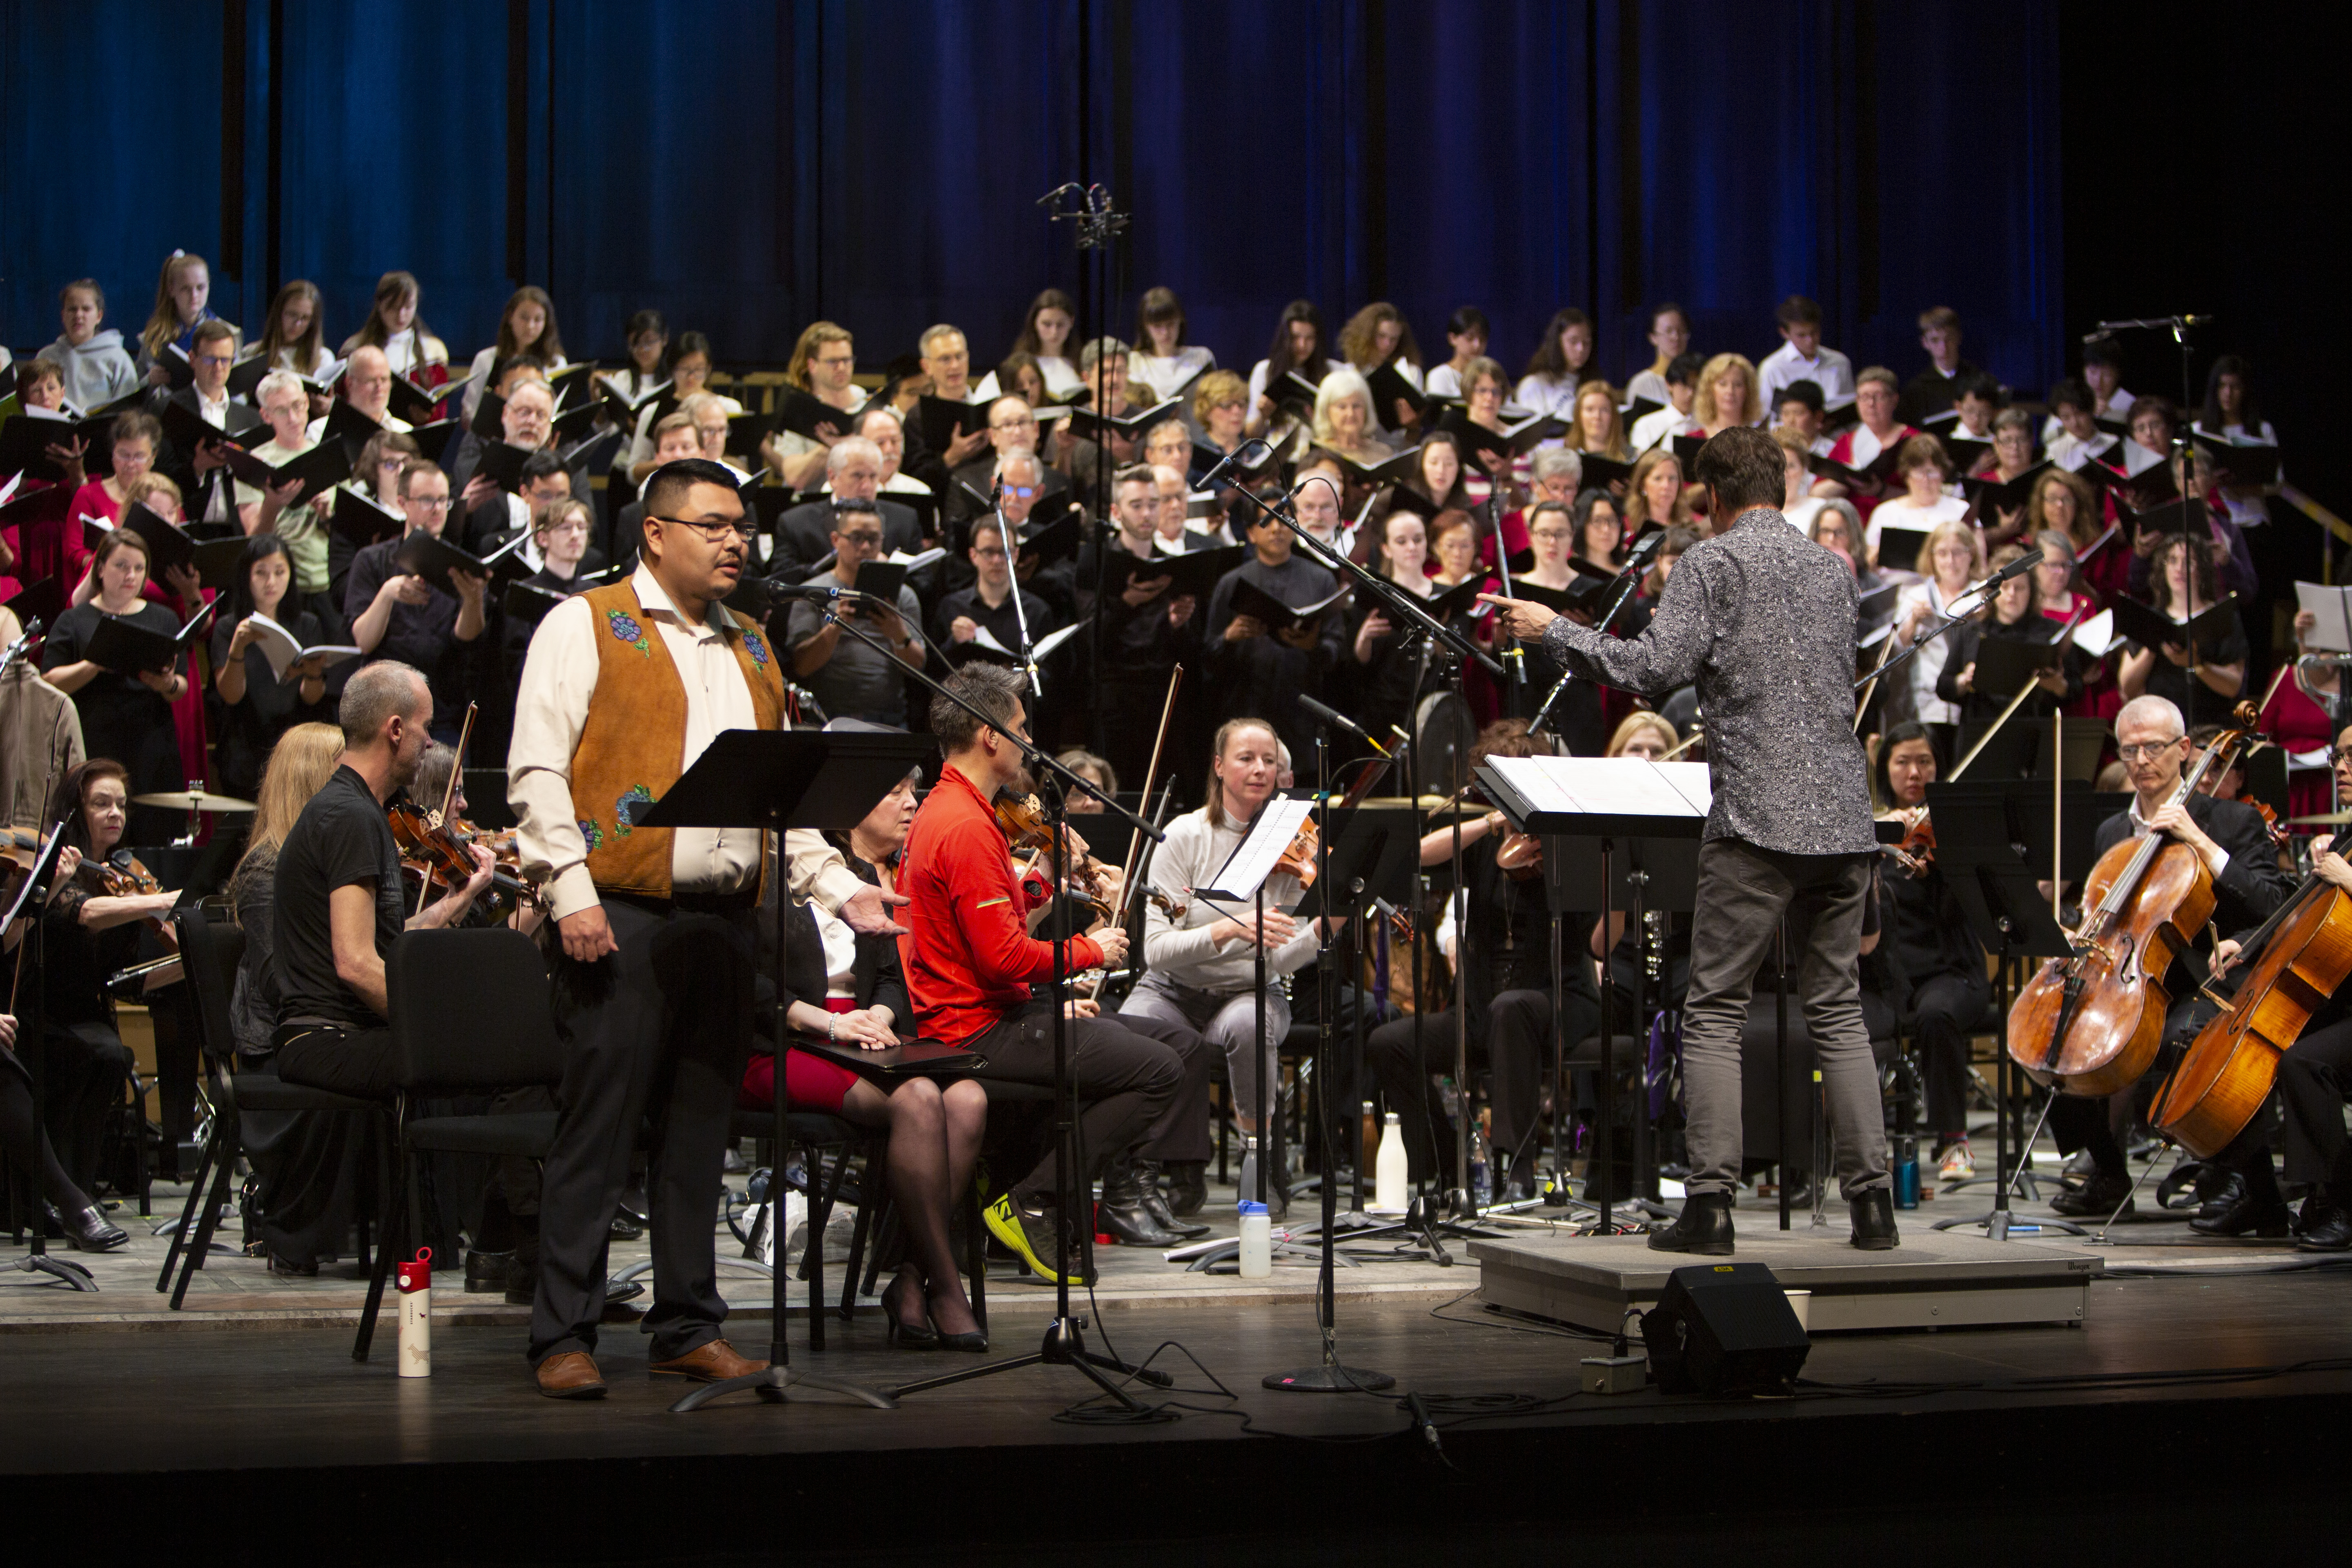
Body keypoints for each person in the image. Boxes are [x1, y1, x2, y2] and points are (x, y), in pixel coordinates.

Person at [509, 457, 904, 1396]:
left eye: (742, 527)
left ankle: (686, 1324)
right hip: (623, 917)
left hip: (727, 922)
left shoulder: (753, 647)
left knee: (697, 1134)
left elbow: (780, 800)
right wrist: (571, 896)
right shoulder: (586, 623)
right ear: (655, 532)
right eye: (714, 524)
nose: (736, 541)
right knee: (598, 1135)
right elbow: (536, 774)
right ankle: (561, 1332)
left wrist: (836, 884)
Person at [1482, 424, 1897, 1252]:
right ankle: (1874, 1206)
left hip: (1756, 820)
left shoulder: (1713, 561)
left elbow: (1647, 670)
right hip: (1846, 820)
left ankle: (1708, 1208)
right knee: (1838, 1010)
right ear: (1776, 487)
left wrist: (1552, 629)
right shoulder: (1832, 568)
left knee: (1711, 1009)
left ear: (1710, 500)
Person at [895, 663, 1193, 1281]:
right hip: (977, 1029)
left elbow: (990, 921)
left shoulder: (962, 809)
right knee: (1160, 1070)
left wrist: (1044, 883)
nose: (1030, 743)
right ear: (991, 737)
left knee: (1171, 1042)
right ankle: (1036, 1198)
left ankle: (1040, 1195)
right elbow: (1003, 959)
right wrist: (1090, 949)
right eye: (1021, 728)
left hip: (996, 1012)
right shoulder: (966, 826)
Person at [737, 768, 990, 1348]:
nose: (910, 804)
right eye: (894, 791)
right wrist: (828, 1020)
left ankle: (908, 1276)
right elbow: (746, 986)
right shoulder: (761, 877)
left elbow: (892, 978)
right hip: (783, 1038)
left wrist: (882, 1017)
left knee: (970, 1099)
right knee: (922, 1099)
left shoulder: (851, 881)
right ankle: (945, 1288)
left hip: (861, 1034)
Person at [2044, 695, 2292, 1220]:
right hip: (2131, 976)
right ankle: (2109, 1171)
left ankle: (2245, 1179)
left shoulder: (2229, 821)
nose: (2141, 761)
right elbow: (2104, 915)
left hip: (2211, 978)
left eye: (2153, 748)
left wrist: (2198, 841)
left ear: (2183, 750)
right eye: (2129, 750)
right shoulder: (2113, 832)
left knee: (2185, 1039)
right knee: (2057, 1036)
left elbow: (2274, 903)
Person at [1365, 718, 1599, 1194]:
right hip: (1479, 1010)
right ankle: (1445, 1160)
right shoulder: (1489, 840)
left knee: (1511, 1009)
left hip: (1555, 1003)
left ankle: (1517, 1167)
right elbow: (1420, 854)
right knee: (1390, 1042)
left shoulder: (1569, 846)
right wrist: (1492, 820)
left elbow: (1593, 936)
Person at [1124, 716, 1343, 1215]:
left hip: (1253, 992)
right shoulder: (1182, 836)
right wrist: (1230, 928)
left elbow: (1277, 960)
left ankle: (1257, 1159)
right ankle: (1155, 1171)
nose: (1260, 769)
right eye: (1246, 758)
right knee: (1137, 1030)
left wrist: (1325, 928)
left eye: (1269, 760)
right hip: (1171, 991)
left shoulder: (1297, 847)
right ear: (1220, 767)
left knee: (1247, 1024)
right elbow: (1155, 950)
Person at [220, 722, 359, 1271]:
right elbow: (280, 982)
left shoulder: (329, 862)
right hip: (276, 1045)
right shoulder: (266, 869)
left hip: (319, 1025)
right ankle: (299, 1228)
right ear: (310, 780)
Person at [35, 760, 165, 1234]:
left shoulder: (118, 874)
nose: (115, 813)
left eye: (121, 805)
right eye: (102, 804)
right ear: (76, 811)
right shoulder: (55, 867)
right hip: (42, 1011)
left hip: (88, 1013)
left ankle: (78, 1190)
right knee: (100, 1053)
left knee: (109, 1055)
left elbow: (120, 975)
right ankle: (60, 1193)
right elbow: (85, 914)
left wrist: (176, 968)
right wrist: (156, 900)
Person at [1867, 724, 1993, 1180]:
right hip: (1891, 973)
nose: (1915, 772)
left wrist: (1943, 871)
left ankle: (1952, 1140)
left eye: (1925, 761)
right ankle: (1860, 1145)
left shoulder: (1951, 832)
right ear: (1886, 769)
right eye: (1903, 761)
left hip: (1952, 970)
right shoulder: (1872, 831)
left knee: (1936, 1016)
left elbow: (1974, 910)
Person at [39, 531, 187, 844]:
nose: (131, 575)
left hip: (151, 743)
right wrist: (94, 663)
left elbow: (181, 686)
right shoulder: (74, 620)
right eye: (121, 565)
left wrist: (167, 684)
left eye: (139, 568)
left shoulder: (164, 618)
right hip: (97, 741)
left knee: (155, 834)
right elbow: (50, 681)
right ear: (101, 568)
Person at [346, 459, 488, 740]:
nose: (437, 509)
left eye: (443, 500)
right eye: (426, 500)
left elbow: (466, 639)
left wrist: (474, 600)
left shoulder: (461, 565)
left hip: (443, 710)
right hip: (383, 712)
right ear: (403, 502)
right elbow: (364, 641)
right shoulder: (372, 560)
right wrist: (387, 594)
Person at [211, 536, 336, 800]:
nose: (271, 582)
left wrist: (313, 671)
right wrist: (237, 649)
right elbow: (231, 695)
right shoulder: (228, 627)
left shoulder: (307, 624)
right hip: (243, 744)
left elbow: (312, 697)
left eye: (280, 573)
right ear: (247, 575)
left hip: (294, 748)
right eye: (261, 573)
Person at [785, 498, 926, 726]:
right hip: (826, 717)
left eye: (873, 539)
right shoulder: (814, 594)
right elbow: (801, 666)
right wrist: (835, 628)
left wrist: (899, 635)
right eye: (857, 538)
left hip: (889, 719)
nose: (865, 547)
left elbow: (919, 667)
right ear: (836, 540)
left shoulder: (903, 596)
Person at [1938, 544, 2083, 726]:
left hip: (2033, 729)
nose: (2011, 595)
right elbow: (1943, 686)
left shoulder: (2052, 632)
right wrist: (1963, 681)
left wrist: (2058, 686)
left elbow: (2077, 689)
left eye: (2020, 588)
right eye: (2005, 587)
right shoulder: (1972, 630)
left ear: (2031, 591)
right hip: (1979, 728)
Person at [236, 370, 339, 597]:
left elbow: (346, 534)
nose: (293, 418)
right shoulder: (253, 464)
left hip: (327, 581)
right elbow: (254, 541)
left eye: (297, 406)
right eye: (281, 411)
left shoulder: (329, 456)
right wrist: (273, 505)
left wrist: (326, 515)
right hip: (280, 588)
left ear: (306, 402)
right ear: (266, 415)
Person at [770, 436, 926, 579]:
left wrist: (889, 574)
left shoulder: (905, 520)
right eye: (857, 476)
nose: (867, 486)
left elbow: (924, 582)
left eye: (873, 477)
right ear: (833, 477)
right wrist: (842, 568)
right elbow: (783, 579)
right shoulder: (796, 523)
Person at [161, 320, 263, 529]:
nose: (219, 367)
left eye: (226, 360)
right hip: (187, 522)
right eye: (210, 359)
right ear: (192, 359)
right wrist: (198, 467)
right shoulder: (169, 409)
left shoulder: (250, 418)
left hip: (237, 526)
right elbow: (159, 475)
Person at [1888, 520, 1984, 732]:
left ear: (1972, 554)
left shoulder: (1982, 597)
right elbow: (1897, 649)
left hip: (1970, 700)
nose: (1951, 561)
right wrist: (1913, 620)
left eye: (1958, 552)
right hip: (1925, 699)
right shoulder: (1916, 595)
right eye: (1942, 553)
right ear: (1931, 557)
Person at [934, 514, 1058, 654]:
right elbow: (935, 669)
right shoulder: (952, 606)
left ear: (1016, 555)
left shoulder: (1037, 611)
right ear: (973, 556)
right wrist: (954, 642)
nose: (997, 560)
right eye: (988, 552)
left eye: (1004, 552)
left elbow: (1049, 671)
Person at [760, 321, 861, 491]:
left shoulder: (863, 399)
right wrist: (831, 446)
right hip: (812, 505)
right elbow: (793, 477)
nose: (842, 368)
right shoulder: (799, 409)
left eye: (847, 360)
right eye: (833, 362)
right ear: (812, 365)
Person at [461, 286, 567, 424]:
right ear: (511, 317)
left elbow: (558, 413)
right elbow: (469, 413)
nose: (531, 326)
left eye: (538, 319)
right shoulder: (486, 359)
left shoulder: (557, 363)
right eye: (524, 318)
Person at [1826, 366, 1919, 513]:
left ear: (1894, 400)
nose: (1871, 404)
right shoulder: (1845, 441)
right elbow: (1816, 494)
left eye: (1879, 396)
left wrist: (1881, 490)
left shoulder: (1913, 440)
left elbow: (1927, 495)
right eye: (1864, 397)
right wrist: (1846, 479)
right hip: (1851, 525)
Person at [41, 279, 140, 410]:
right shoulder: (46, 357)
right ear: (63, 315)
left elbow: (129, 409)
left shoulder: (118, 358)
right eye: (72, 309)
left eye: (86, 309)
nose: (78, 315)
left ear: (99, 316)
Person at [1864, 435, 1969, 556]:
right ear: (1907, 477)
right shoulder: (1885, 513)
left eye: (1931, 472)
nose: (1926, 480)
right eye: (1919, 473)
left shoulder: (1962, 510)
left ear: (1942, 474)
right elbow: (1868, 565)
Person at [338, 270, 448, 379]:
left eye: (409, 307)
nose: (401, 315)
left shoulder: (434, 351)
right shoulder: (355, 348)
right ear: (379, 304)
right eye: (393, 307)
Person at [1757, 295, 1855, 413]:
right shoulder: (1773, 368)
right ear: (1785, 333)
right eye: (1801, 335)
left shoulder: (1840, 363)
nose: (1810, 340)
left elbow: (1850, 409)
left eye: (1814, 332)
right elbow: (1764, 417)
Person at [134, 252, 220, 386]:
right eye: (186, 289)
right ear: (171, 290)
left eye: (201, 288)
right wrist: (150, 380)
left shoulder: (225, 332)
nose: (194, 296)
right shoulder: (155, 335)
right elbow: (135, 389)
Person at [1246, 300, 1329, 437]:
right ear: (1285, 337)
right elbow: (1251, 434)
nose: (1302, 345)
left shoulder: (1331, 370)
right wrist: (1263, 416)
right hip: (1277, 453)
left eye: (1310, 338)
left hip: (1318, 451)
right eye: (1296, 337)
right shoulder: (1265, 370)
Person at [1128, 287, 1216, 406]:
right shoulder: (1135, 361)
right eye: (1158, 326)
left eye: (1171, 324)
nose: (1165, 333)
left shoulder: (1201, 357)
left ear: (1180, 321)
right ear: (1146, 327)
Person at [1897, 307, 1980, 426]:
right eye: (1935, 340)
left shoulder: (1978, 380)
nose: (1943, 348)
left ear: (1959, 338)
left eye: (1949, 339)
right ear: (1925, 343)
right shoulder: (1915, 390)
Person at [1515, 307, 1598, 419]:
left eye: (1587, 343)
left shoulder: (1593, 383)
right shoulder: (1535, 385)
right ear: (1558, 343)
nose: (1581, 349)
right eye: (1573, 342)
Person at [1309, 367, 1392, 467]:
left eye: (1356, 406)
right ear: (1327, 411)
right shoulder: (1316, 452)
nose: (1351, 413)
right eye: (1342, 407)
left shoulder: (1384, 453)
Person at [1628, 351, 1706, 454]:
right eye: (1684, 385)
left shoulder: (1708, 426)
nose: (1690, 394)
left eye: (1696, 387)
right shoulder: (1647, 425)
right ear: (1669, 384)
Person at [257, 279, 331, 381]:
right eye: (292, 315)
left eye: (305, 318)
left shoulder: (323, 358)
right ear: (279, 313)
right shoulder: (252, 354)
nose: (297, 324)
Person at [1623, 302, 1693, 408]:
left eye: (1681, 331)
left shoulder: (1698, 382)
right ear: (1653, 337)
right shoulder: (1643, 384)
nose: (1676, 337)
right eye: (1669, 331)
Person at [1425, 306, 1490, 399]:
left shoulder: (1491, 378)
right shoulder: (1441, 376)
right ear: (1453, 338)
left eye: (1483, 339)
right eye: (1470, 338)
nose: (1477, 345)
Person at [1692, 353, 1763, 438]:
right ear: (1710, 389)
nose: (1730, 391)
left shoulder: (1760, 442)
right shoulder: (1694, 438)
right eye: (1723, 384)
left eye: (1738, 385)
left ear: (1748, 391)